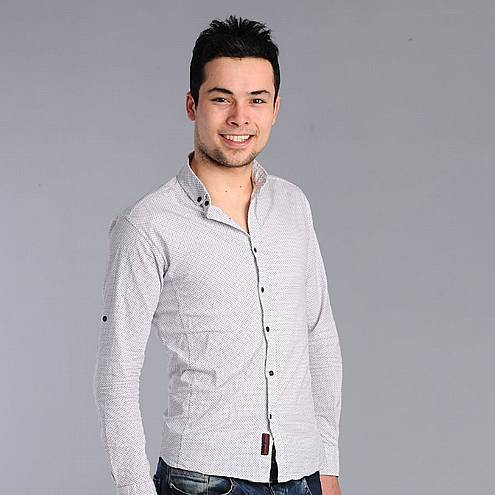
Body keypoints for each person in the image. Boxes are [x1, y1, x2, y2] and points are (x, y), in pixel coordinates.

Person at [93, 14, 343, 495]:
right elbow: (115, 380)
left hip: (304, 476)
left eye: (257, 100)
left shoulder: (293, 206)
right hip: (203, 481)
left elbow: (319, 337)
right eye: (221, 98)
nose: (239, 117)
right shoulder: (147, 226)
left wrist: (327, 464)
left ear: (275, 109)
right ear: (193, 105)